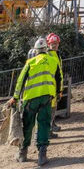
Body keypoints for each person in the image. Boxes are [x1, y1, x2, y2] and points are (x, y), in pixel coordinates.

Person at [7, 37, 59, 165]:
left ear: (36, 50)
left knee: (27, 125)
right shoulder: (53, 61)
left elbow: (20, 81)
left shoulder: (30, 62)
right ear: (46, 49)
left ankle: (22, 153)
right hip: (47, 98)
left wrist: (15, 97)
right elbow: (58, 79)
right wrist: (56, 94)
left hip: (31, 99)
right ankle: (42, 155)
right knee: (44, 125)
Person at [45, 33, 63, 137]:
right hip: (50, 87)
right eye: (52, 44)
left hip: (55, 86)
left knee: (53, 109)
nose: (55, 45)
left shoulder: (57, 54)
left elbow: (58, 72)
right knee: (49, 111)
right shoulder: (48, 55)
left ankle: (50, 129)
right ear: (48, 44)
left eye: (56, 43)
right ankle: (48, 132)